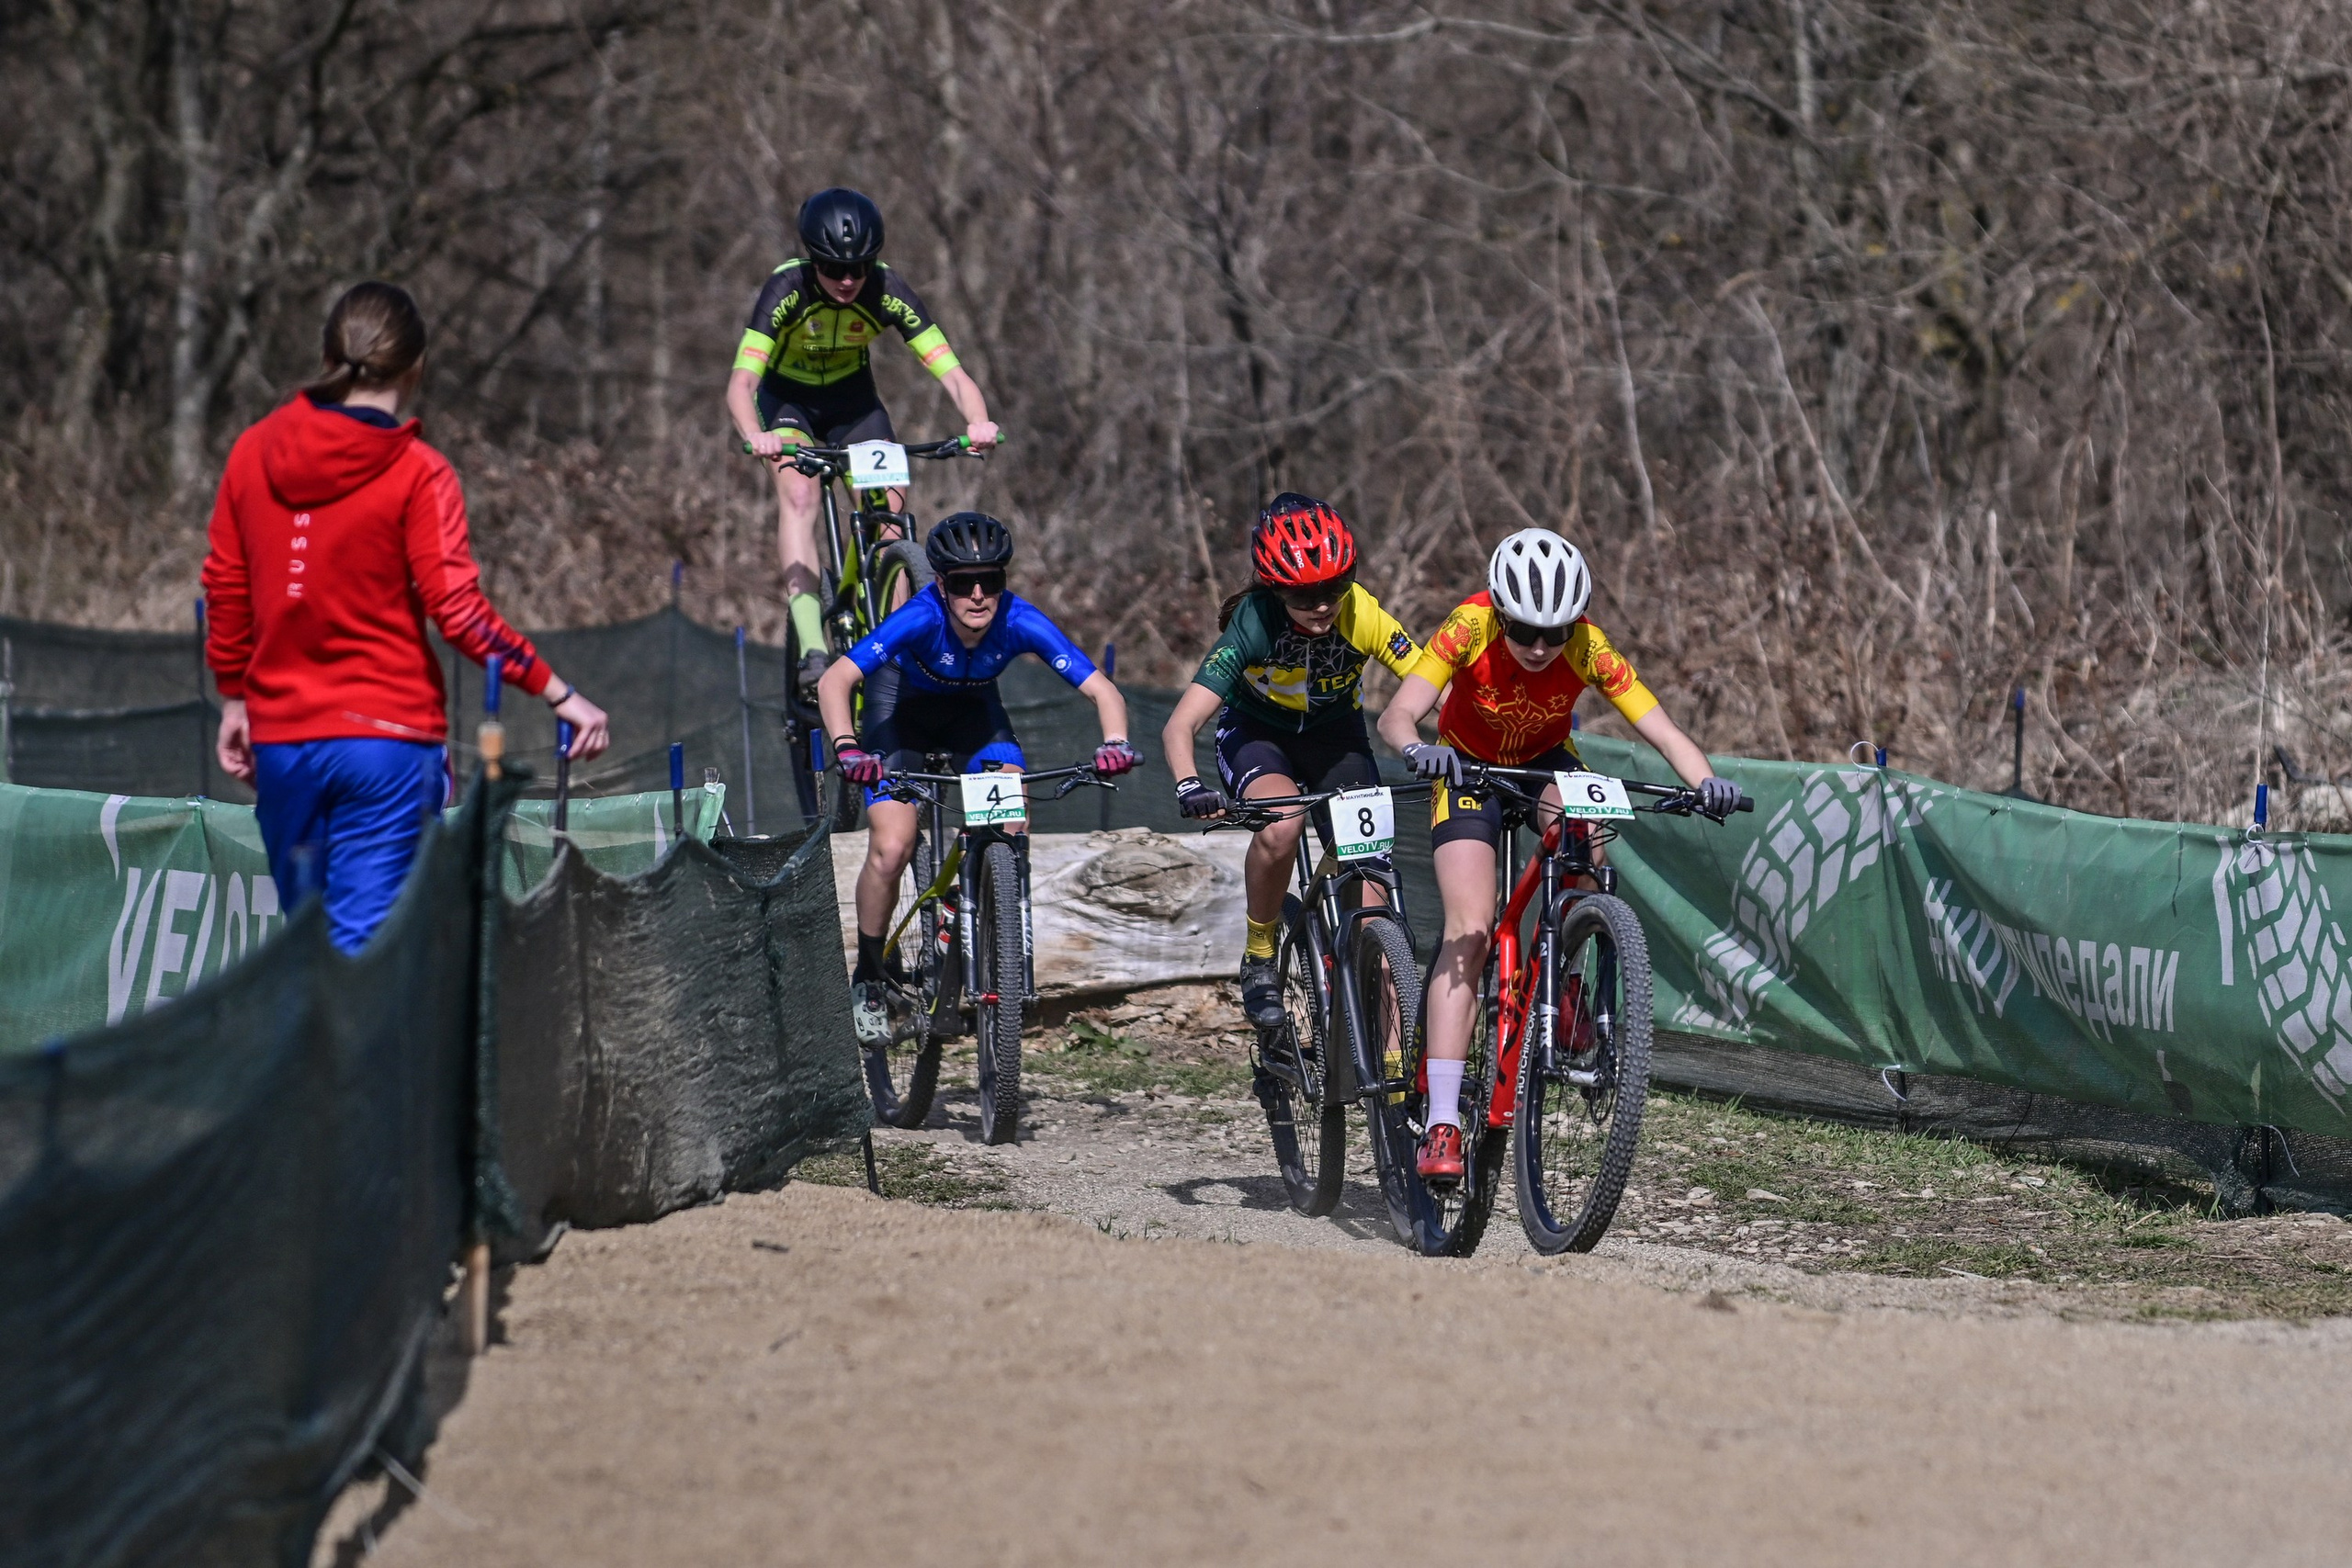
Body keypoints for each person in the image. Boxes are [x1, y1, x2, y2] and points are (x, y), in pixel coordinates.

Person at [203, 281, 611, 953]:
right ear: (415, 368)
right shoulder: (420, 473)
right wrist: (556, 692)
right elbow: (458, 612)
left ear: (330, 354)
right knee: (371, 951)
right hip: (387, 743)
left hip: (283, 741)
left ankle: (326, 1059)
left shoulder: (253, 452)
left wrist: (234, 697)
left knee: (307, 949)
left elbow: (225, 583)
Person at [1376, 527, 1737, 1181]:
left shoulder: (1588, 645)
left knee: (1589, 831)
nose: (1542, 648)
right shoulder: (1469, 624)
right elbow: (1399, 713)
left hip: (1544, 762)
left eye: (1556, 633)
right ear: (1500, 612)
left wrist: (1704, 781)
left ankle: (1562, 976)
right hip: (1465, 768)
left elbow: (1658, 726)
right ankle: (1443, 1122)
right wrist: (1416, 748)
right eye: (1526, 632)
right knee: (1471, 927)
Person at [816, 511, 1136, 1048]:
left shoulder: (1020, 619)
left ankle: (992, 911)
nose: (980, 595)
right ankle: (869, 977)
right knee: (891, 847)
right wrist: (848, 748)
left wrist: (1115, 743)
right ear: (942, 585)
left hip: (974, 716)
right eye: (964, 583)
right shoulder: (920, 617)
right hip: (901, 715)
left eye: (993, 580)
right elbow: (836, 679)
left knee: (1010, 818)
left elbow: (1105, 692)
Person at [1159, 493, 1428, 1034]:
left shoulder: (1363, 613)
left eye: (1334, 588)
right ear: (1274, 587)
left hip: (1334, 738)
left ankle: (1395, 1073)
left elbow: (1431, 684)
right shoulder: (1254, 623)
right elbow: (1179, 725)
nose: (1323, 605)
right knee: (1283, 824)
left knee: (1374, 888)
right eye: (1304, 595)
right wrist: (1189, 785)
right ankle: (1260, 952)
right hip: (1258, 736)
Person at [725, 187, 1001, 691]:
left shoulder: (886, 289)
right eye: (834, 269)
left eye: (860, 267)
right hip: (788, 404)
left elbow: (954, 374)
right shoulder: (787, 287)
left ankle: (895, 642)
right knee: (801, 494)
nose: (849, 280)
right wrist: (755, 435)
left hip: (854, 407)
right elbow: (742, 383)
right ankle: (811, 642)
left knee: (892, 510)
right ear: (813, 261)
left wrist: (978, 422)